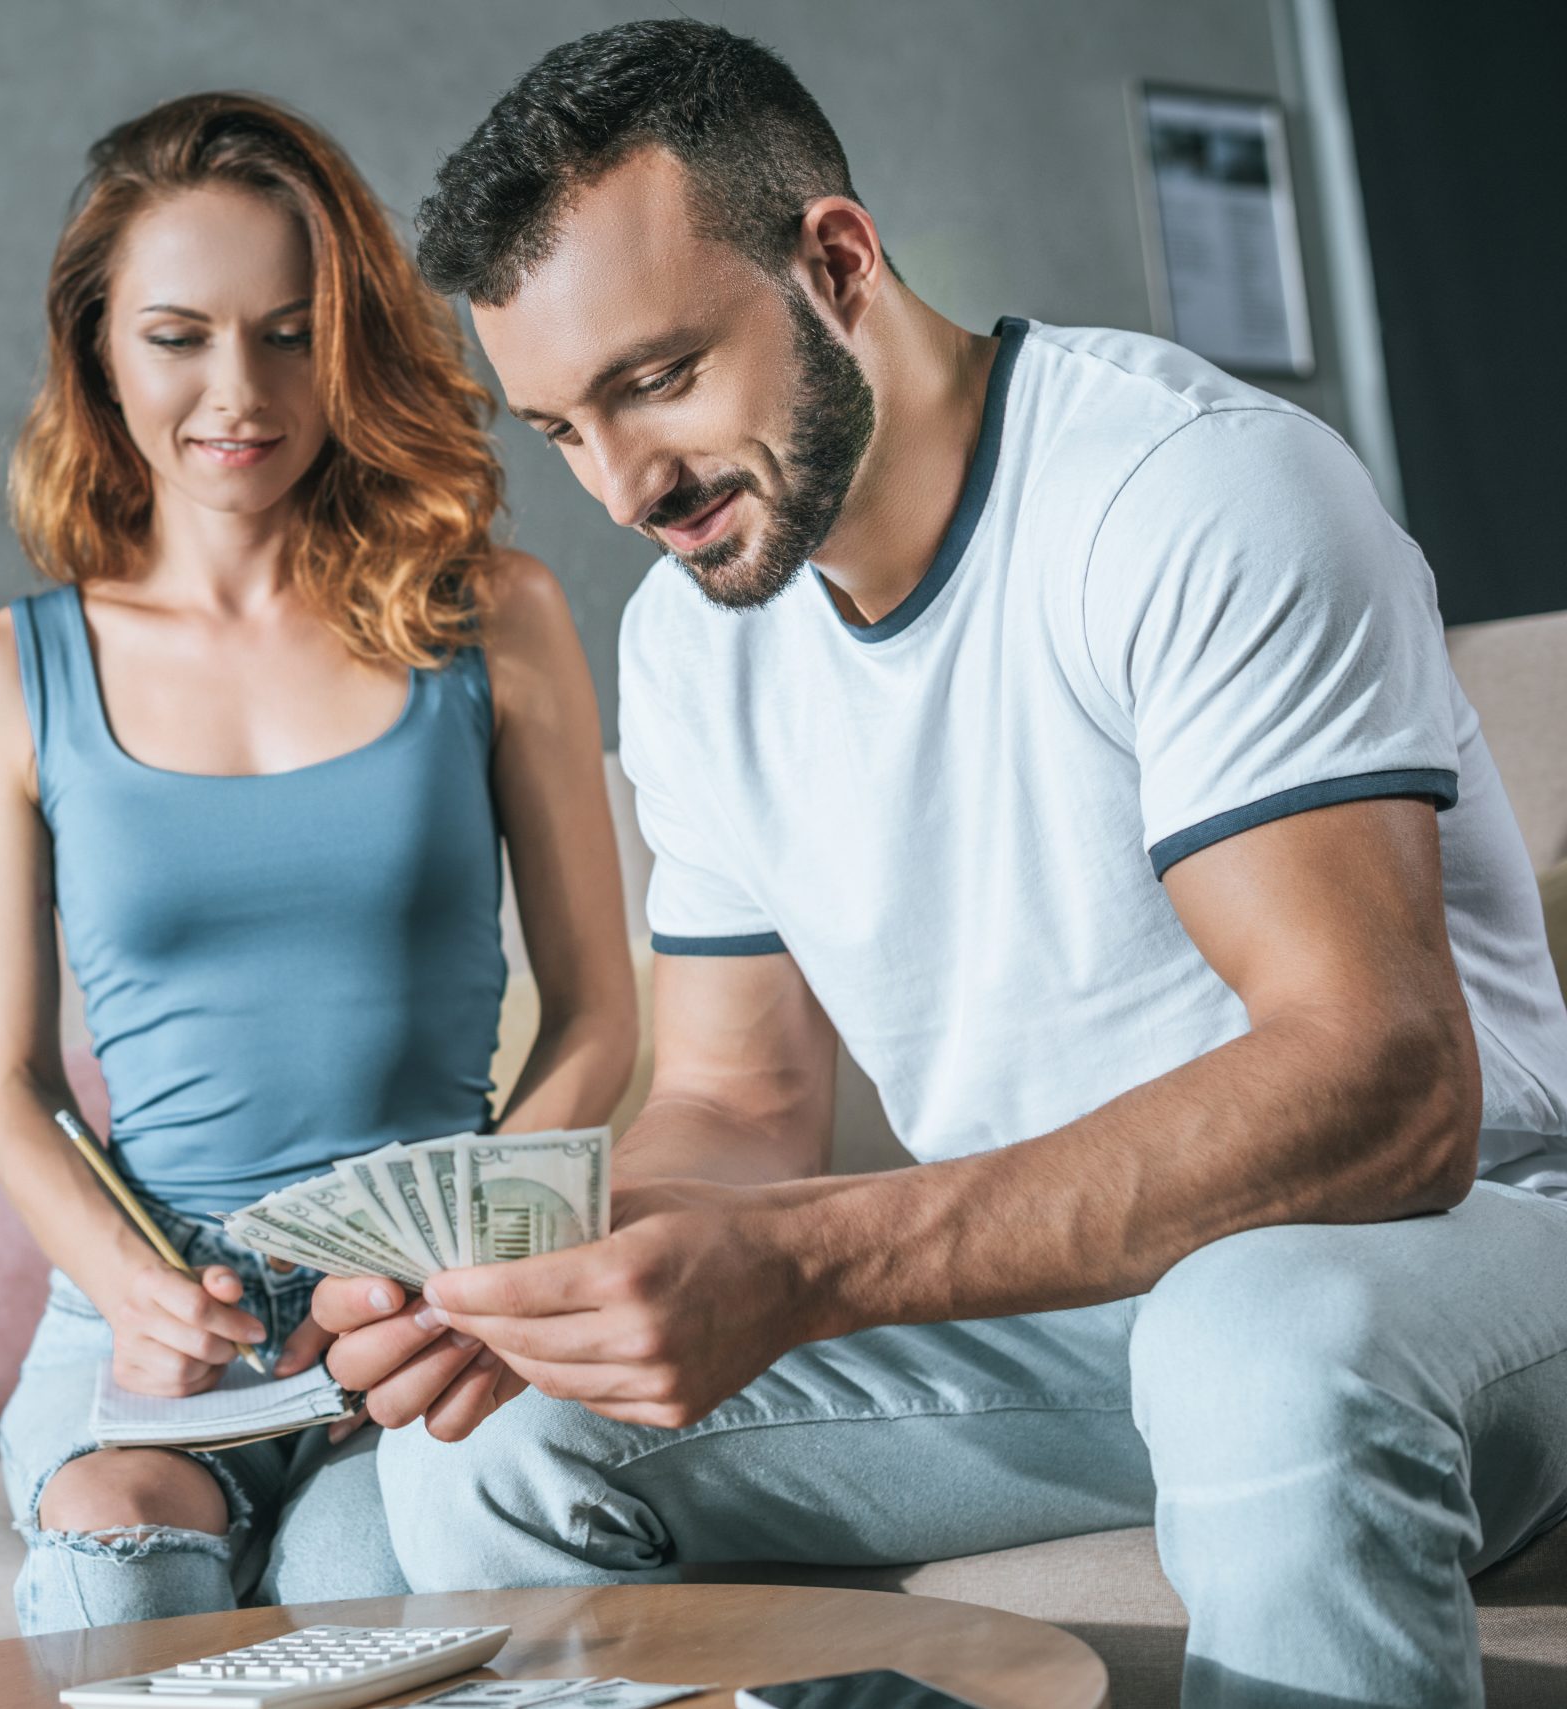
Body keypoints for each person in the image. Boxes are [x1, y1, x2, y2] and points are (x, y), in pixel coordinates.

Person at [314, 22, 1567, 1708]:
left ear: (836, 260)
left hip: (1432, 1244)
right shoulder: (698, 637)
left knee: (1253, 1348)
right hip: (1063, 1286)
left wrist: (812, 1260)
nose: (626, 487)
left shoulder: (1187, 490)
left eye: (657, 379)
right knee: (489, 1442)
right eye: (560, 428)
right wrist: (537, 1268)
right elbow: (739, 1102)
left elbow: (1386, 1083)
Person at [0, 91, 635, 1635]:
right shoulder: (2, 677)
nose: (235, 390)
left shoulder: (495, 615)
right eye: (178, 334)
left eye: (288, 332)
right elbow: (7, 1079)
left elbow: (597, 1016)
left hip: (416, 1323)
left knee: (363, 1594)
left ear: (350, 342)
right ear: (98, 350)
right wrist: (127, 1285)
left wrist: (456, 1274)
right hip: (152, 1320)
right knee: (119, 1551)